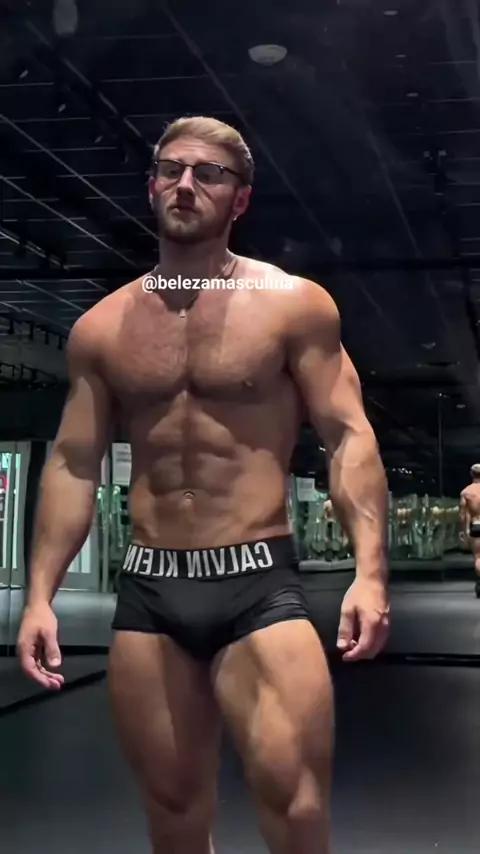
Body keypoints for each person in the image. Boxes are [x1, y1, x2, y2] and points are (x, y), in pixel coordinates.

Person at [17, 116, 390, 854]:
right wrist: (38, 597)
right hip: (150, 589)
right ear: (151, 186)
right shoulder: (100, 329)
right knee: (174, 813)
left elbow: (349, 434)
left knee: (297, 808)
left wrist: (371, 572)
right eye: (171, 169)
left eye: (209, 174)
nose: (185, 185)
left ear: (239, 199)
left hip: (257, 581)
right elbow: (73, 462)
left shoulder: (293, 305)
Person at [460, 464, 480, 597]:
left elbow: (463, 515)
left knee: (478, 556)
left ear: (471, 474)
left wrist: (463, 531)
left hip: (477, 525)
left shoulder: (466, 492)